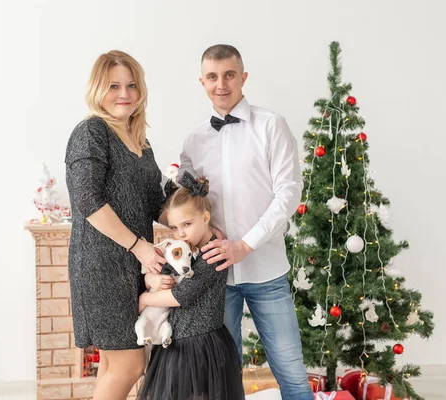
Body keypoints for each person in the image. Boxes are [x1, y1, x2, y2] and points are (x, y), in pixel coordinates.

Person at [178, 44, 313, 399]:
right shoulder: (194, 140)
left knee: (291, 370)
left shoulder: (272, 126)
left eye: (229, 75)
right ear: (202, 82)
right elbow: (186, 202)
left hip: (266, 269)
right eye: (212, 76)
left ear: (243, 78)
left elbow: (288, 193)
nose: (221, 84)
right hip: (214, 274)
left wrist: (244, 244)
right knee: (223, 374)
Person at [64, 50, 168, 400]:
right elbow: (88, 200)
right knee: (130, 366)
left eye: (131, 85)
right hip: (102, 267)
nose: (124, 93)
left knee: (112, 365)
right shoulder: (91, 131)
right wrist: (139, 246)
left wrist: (195, 214)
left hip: (132, 266)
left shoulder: (142, 142)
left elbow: (156, 203)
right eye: (113, 85)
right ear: (97, 88)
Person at [137, 173, 245, 400]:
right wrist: (150, 281)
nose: (181, 233)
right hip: (175, 344)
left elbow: (181, 296)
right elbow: (158, 274)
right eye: (175, 228)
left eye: (187, 224)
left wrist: (144, 299)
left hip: (203, 345)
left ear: (206, 218)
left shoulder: (213, 254)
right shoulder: (181, 249)